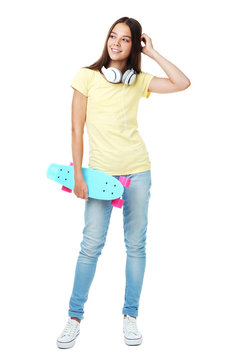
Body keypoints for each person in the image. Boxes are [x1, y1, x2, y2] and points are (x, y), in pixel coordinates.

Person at [56, 16, 191, 349]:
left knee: (136, 246)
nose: (115, 43)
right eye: (112, 36)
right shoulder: (86, 77)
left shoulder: (138, 80)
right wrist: (77, 176)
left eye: (125, 39)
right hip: (99, 175)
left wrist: (154, 53)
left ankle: (130, 317)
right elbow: (76, 130)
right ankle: (74, 317)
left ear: (134, 46)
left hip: (137, 172)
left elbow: (182, 82)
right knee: (90, 247)